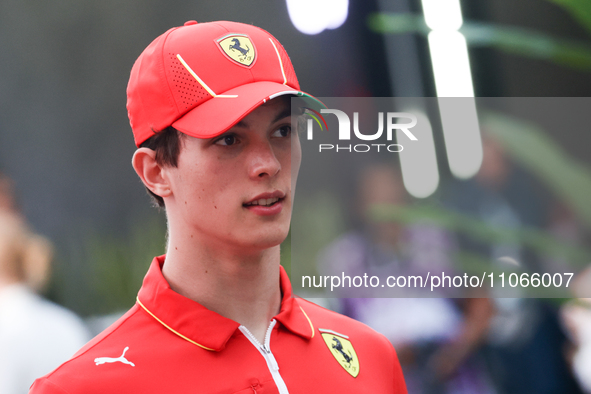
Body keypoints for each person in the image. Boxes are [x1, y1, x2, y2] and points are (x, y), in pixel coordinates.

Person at [29, 20, 407, 393]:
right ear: (156, 171)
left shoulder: (372, 358)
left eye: (282, 130)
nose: (270, 164)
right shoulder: (82, 388)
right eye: (229, 139)